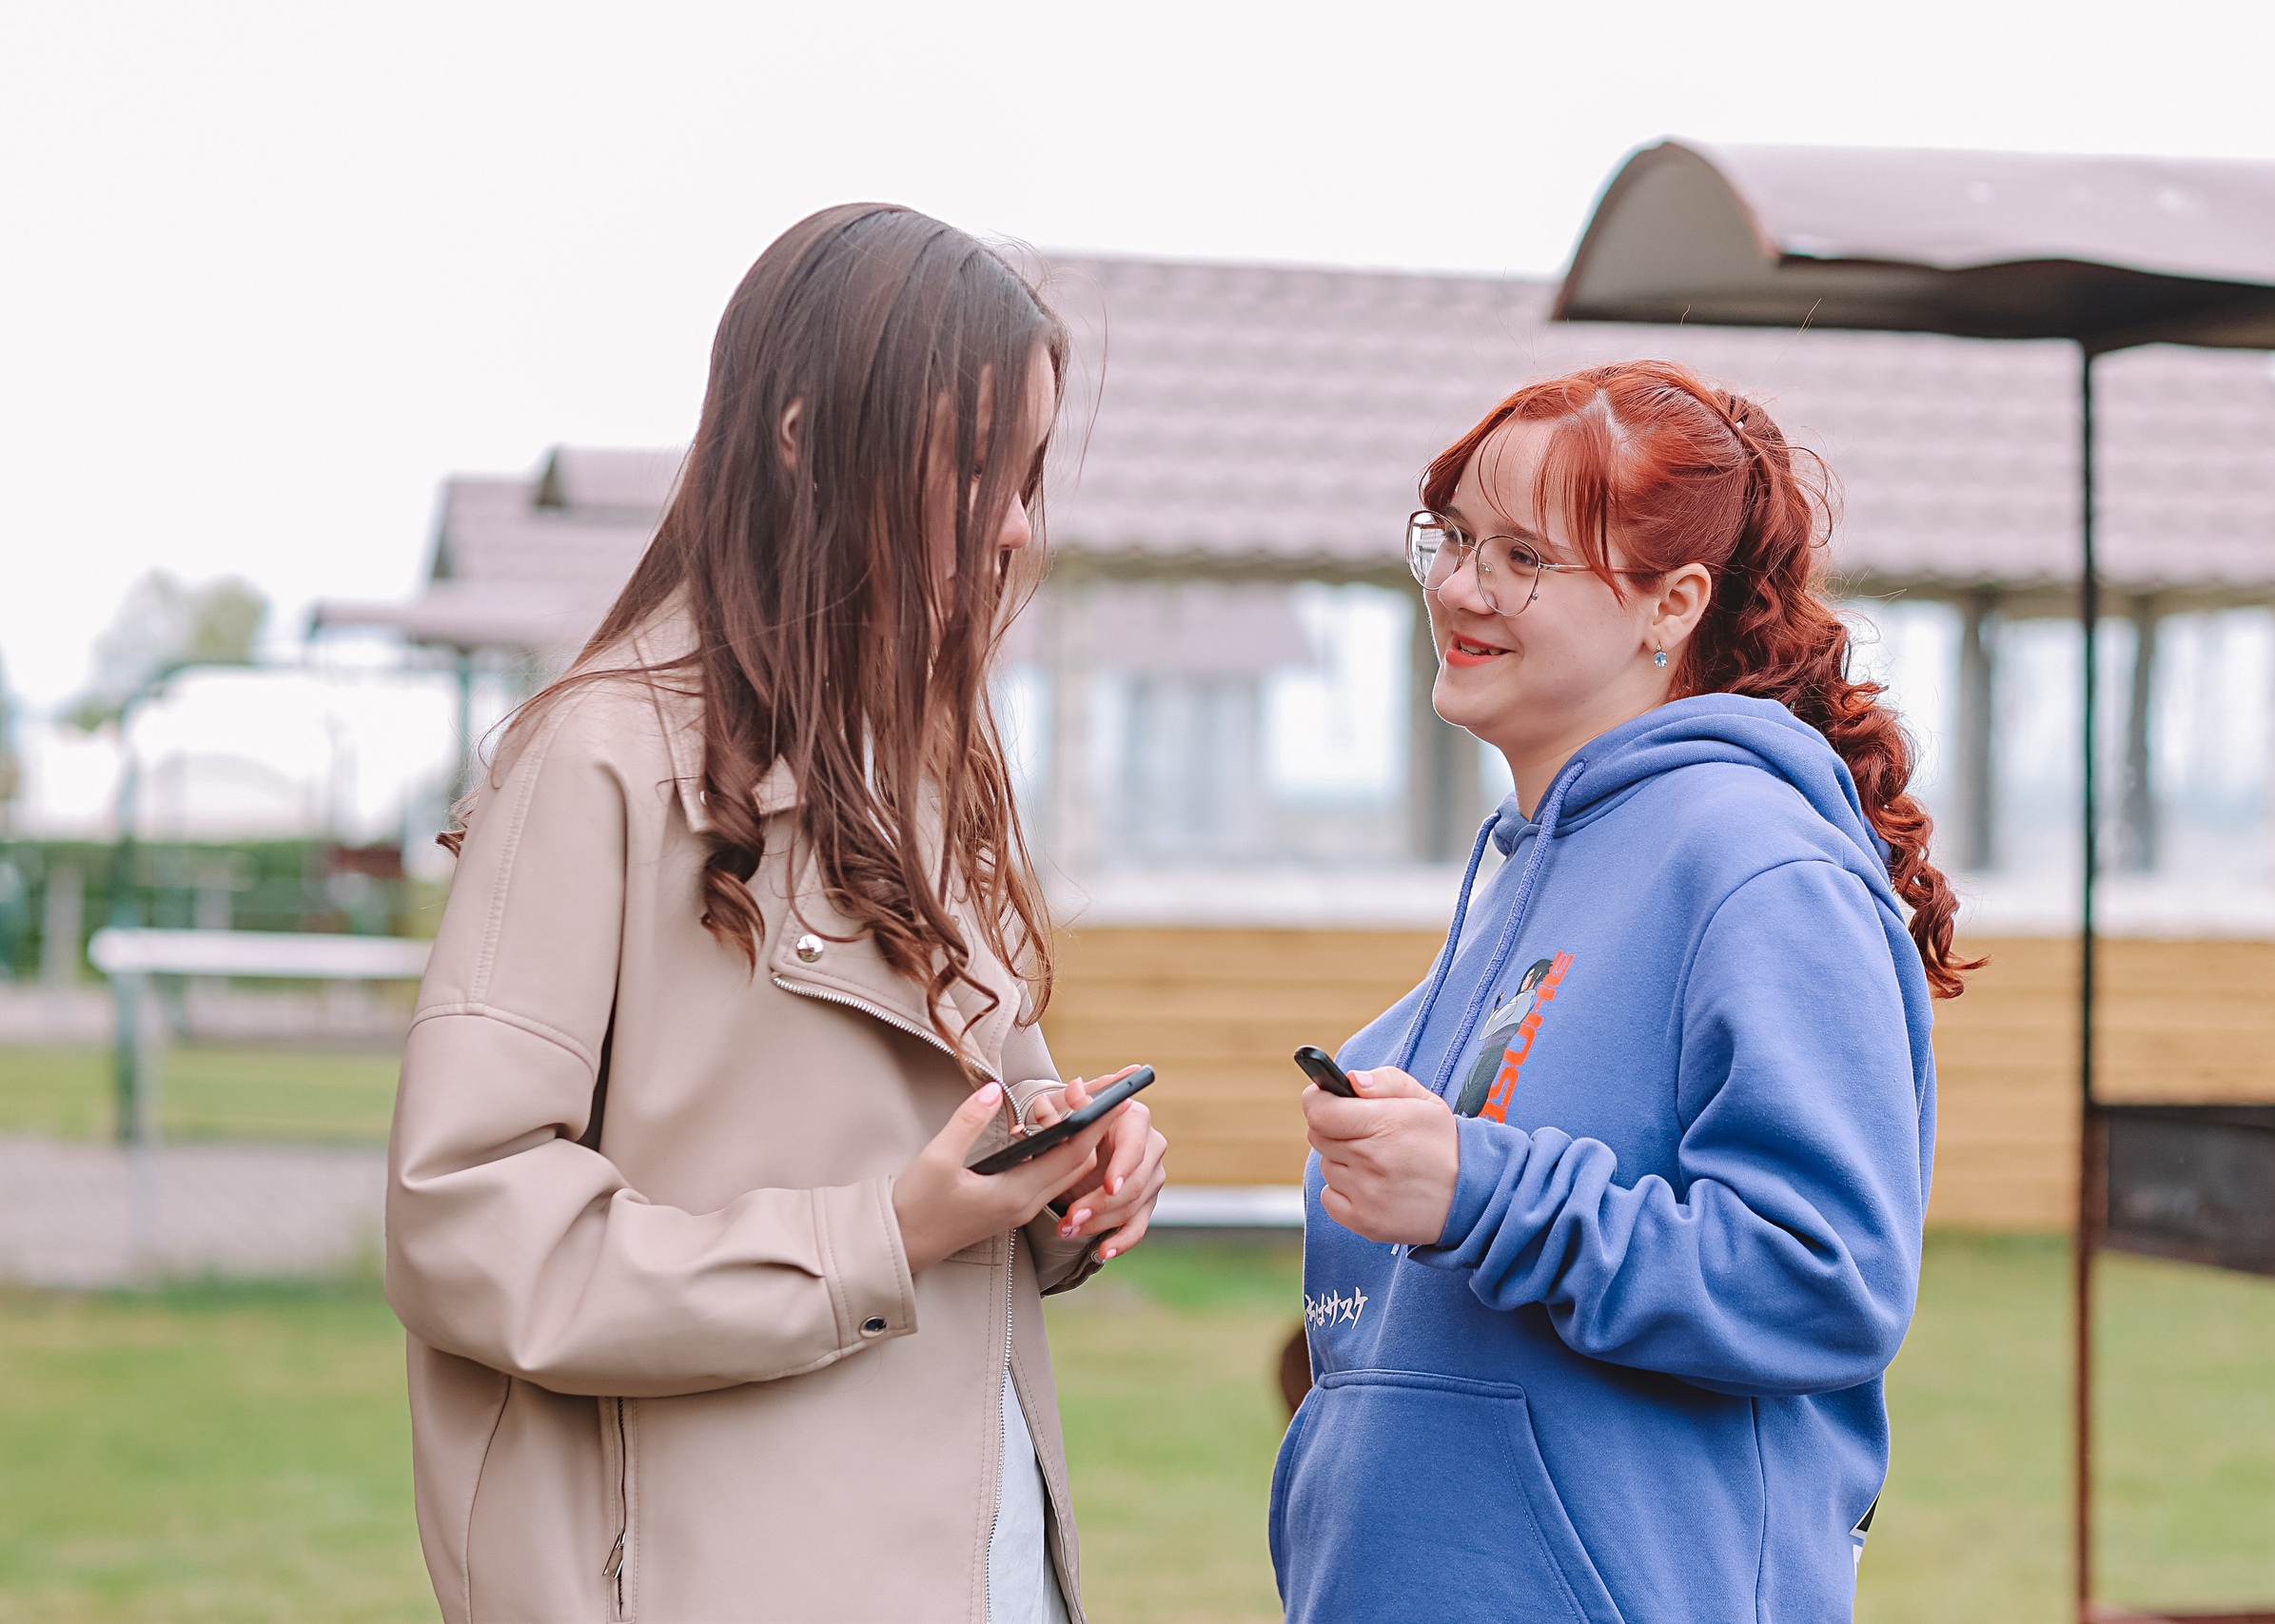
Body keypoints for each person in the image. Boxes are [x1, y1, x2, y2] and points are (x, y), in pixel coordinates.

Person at [385, 204, 1166, 1624]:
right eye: (975, 466)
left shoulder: (922, 765)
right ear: (806, 439)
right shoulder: (600, 758)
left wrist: (1074, 1173)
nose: (1011, 524)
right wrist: (880, 1235)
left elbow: (957, 1151)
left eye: (1033, 473)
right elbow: (469, 1228)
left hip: (977, 1566)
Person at [1269, 361, 1968, 1624]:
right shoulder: (1532, 874)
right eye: (1456, 536)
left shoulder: (1756, 863)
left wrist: (1477, 1189)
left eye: (1525, 556)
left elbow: (1825, 1281)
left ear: (1672, 604)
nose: (1461, 589)